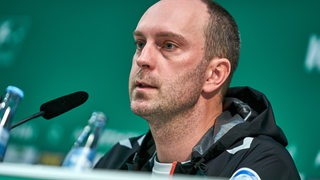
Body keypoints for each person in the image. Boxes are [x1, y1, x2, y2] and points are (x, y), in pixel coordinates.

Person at [94, 0, 300, 179]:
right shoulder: (118, 158)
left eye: (168, 45)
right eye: (140, 44)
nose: (142, 59)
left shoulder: (259, 164)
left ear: (214, 75)